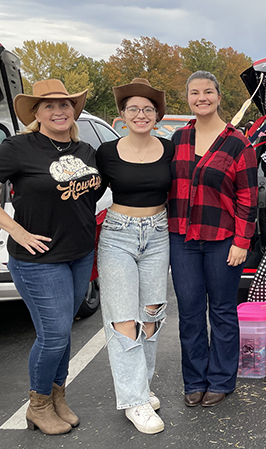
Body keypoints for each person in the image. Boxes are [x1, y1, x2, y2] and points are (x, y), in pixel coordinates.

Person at [0, 79, 101, 435]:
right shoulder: (19, 147)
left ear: (74, 110)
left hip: (80, 255)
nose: (58, 111)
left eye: (64, 105)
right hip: (38, 259)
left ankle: (58, 397)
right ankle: (38, 405)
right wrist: (15, 229)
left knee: (64, 334)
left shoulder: (85, 151)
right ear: (35, 113)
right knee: (52, 335)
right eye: (48, 106)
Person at [169, 71, 258, 408]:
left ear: (219, 97)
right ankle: (195, 380)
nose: (201, 97)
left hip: (223, 239)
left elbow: (248, 197)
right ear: (188, 98)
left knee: (221, 311)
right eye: (194, 92)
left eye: (208, 92)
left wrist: (241, 241)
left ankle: (221, 379)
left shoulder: (238, 142)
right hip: (183, 239)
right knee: (190, 312)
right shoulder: (178, 139)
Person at [95, 78, 174, 434]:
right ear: (122, 116)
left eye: (147, 109)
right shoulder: (106, 152)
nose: (140, 114)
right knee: (124, 320)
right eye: (133, 109)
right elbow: (81, 191)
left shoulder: (170, 149)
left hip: (158, 234)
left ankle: (141, 384)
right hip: (117, 236)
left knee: (152, 314)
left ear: (157, 115)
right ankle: (134, 401)